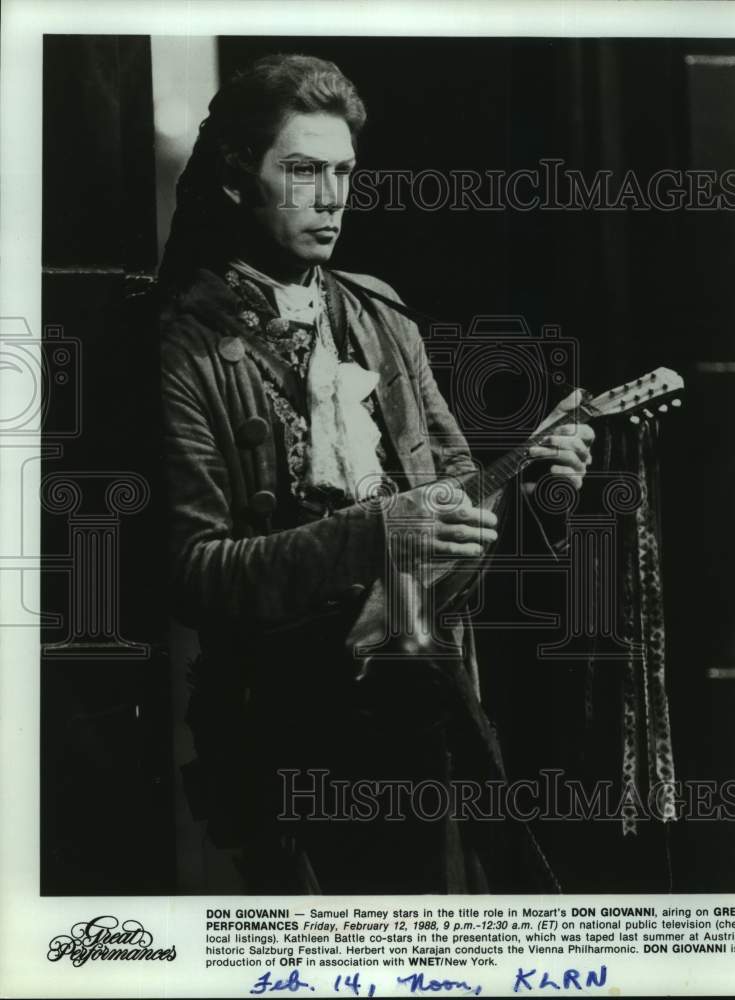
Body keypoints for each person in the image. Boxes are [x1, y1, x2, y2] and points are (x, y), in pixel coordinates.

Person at [159, 53, 594, 893]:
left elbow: (456, 498)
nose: (331, 198)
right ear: (235, 179)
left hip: (416, 702)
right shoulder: (183, 348)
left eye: (344, 173)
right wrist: (376, 533)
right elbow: (190, 574)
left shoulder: (380, 317)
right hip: (277, 731)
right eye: (302, 170)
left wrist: (534, 485)